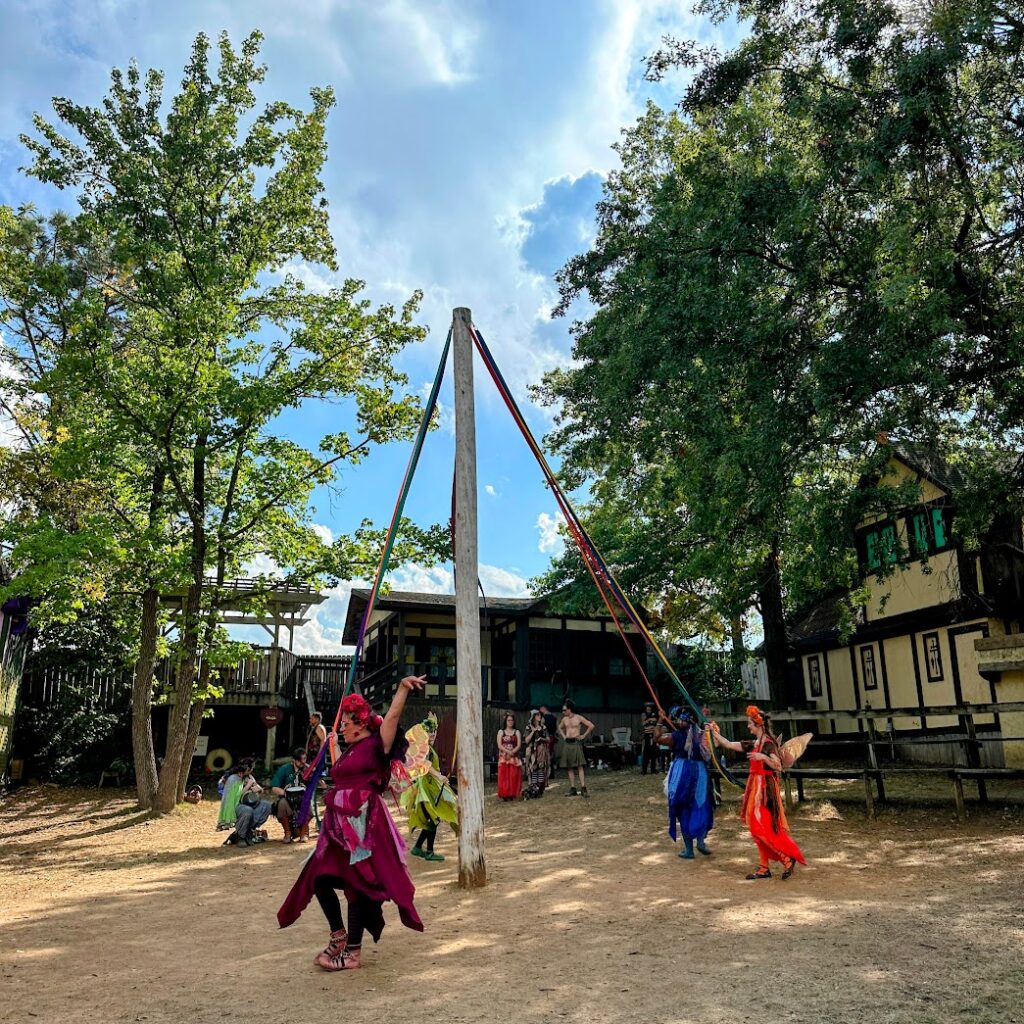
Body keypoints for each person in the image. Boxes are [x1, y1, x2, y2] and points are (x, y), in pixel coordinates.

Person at [278, 677, 426, 971]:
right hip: (337, 827)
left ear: (361, 724)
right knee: (318, 876)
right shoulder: (350, 749)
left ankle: (353, 954)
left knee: (357, 884)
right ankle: (339, 937)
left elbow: (393, 718)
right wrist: (332, 747)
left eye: (347, 722)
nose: (342, 726)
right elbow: (340, 775)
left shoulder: (376, 744)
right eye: (342, 722)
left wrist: (402, 689)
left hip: (364, 826)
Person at [710, 704, 806, 880]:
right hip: (756, 789)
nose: (748, 726)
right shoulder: (755, 743)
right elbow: (729, 744)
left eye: (750, 724)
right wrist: (713, 732)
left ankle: (786, 859)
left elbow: (778, 766)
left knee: (760, 828)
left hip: (765, 791)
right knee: (757, 828)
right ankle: (764, 868)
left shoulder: (768, 745)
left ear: (758, 725)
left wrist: (763, 757)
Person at [655, 706, 714, 859]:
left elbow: (657, 738)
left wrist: (660, 720)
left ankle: (689, 850)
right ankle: (701, 842)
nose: (677, 721)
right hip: (700, 772)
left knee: (682, 808)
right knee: (700, 804)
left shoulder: (676, 736)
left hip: (682, 773)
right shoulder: (701, 735)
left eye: (679, 719)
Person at [403, 712, 458, 862]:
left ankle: (418, 848)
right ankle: (429, 852)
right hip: (425, 790)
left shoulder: (428, 747)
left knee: (432, 819)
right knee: (433, 819)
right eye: (428, 731)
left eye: (433, 731)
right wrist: (439, 776)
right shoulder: (424, 748)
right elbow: (425, 766)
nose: (432, 734)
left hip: (430, 787)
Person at [270, 748, 310, 843]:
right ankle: (287, 833)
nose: (303, 762)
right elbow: (274, 787)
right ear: (294, 760)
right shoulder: (284, 769)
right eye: (300, 760)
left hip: (302, 798)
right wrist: (286, 793)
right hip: (287, 799)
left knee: (307, 804)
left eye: (304, 759)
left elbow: (317, 781)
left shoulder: (307, 769)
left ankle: (303, 832)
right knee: (281, 804)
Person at [558, 699, 595, 797]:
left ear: (570, 709)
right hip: (567, 743)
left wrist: (583, 735)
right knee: (569, 767)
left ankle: (583, 788)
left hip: (576, 742)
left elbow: (591, 725)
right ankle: (573, 788)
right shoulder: (564, 719)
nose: (563, 712)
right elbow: (559, 727)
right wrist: (563, 736)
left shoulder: (578, 717)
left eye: (564, 710)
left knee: (580, 766)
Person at [523, 710, 551, 798]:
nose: (539, 717)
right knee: (533, 768)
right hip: (531, 751)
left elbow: (548, 739)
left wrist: (541, 739)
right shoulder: (528, 727)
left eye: (540, 715)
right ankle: (533, 788)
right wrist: (533, 731)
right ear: (533, 716)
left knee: (541, 768)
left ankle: (540, 789)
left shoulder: (543, 727)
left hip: (541, 750)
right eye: (537, 715)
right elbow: (526, 740)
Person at [496, 712, 523, 800]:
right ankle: (505, 794)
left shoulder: (517, 732)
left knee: (513, 775)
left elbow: (519, 745)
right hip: (504, 757)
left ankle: (513, 793)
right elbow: (499, 745)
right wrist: (507, 751)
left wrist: (512, 752)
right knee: (504, 776)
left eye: (512, 720)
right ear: (505, 721)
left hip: (514, 757)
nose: (510, 722)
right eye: (508, 720)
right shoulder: (501, 732)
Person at [639, 702, 660, 775]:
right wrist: (649, 720)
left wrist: (649, 720)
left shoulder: (654, 714)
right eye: (647, 707)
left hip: (653, 735)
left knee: (654, 753)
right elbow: (643, 723)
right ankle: (644, 770)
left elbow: (655, 721)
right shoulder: (643, 714)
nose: (649, 708)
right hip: (647, 735)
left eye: (650, 707)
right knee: (645, 753)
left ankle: (653, 769)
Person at [539, 703, 559, 779]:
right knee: (551, 755)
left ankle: (546, 773)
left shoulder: (543, 718)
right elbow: (557, 728)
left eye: (541, 708)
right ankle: (551, 773)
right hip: (552, 738)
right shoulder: (554, 717)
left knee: (544, 755)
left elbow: (541, 728)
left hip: (545, 738)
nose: (540, 710)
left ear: (544, 708)